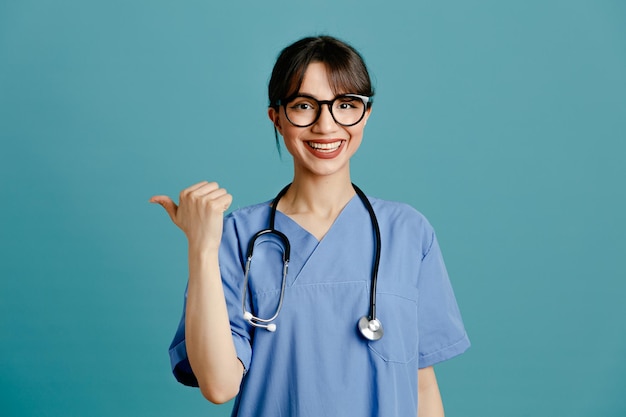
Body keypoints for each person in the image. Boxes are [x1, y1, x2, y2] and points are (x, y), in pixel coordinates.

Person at [150, 35, 470, 417]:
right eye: (304, 106)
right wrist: (201, 249)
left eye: (345, 105)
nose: (326, 125)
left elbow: (422, 386)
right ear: (277, 117)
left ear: (366, 114)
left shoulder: (407, 232)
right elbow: (219, 386)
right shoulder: (235, 237)